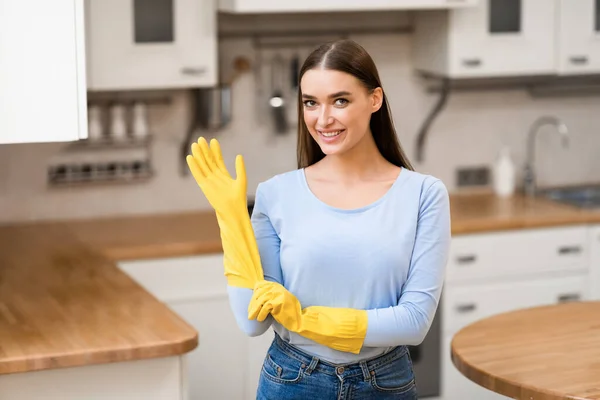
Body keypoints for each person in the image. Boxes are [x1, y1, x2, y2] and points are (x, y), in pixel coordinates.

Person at [187, 39, 451, 400]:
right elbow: (252, 322)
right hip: (293, 380)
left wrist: (305, 320)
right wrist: (231, 218)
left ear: (375, 99)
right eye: (311, 102)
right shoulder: (276, 194)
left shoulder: (423, 195)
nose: (322, 119)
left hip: (385, 383)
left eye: (340, 100)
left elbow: (414, 322)